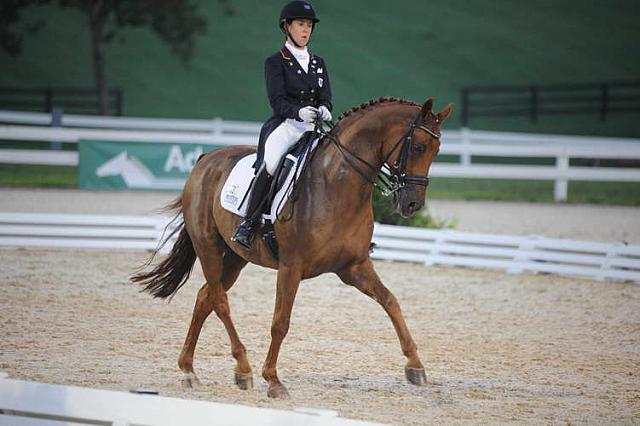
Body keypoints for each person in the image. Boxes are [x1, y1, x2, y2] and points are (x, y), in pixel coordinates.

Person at [231, 0, 332, 249]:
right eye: (300, 24)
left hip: (314, 128)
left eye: (309, 25)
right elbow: (277, 102)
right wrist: (299, 112)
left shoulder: (318, 63)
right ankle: (250, 222)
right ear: (287, 26)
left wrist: (325, 109)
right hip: (286, 126)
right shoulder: (275, 62)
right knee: (273, 161)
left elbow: (326, 97)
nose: (305, 30)